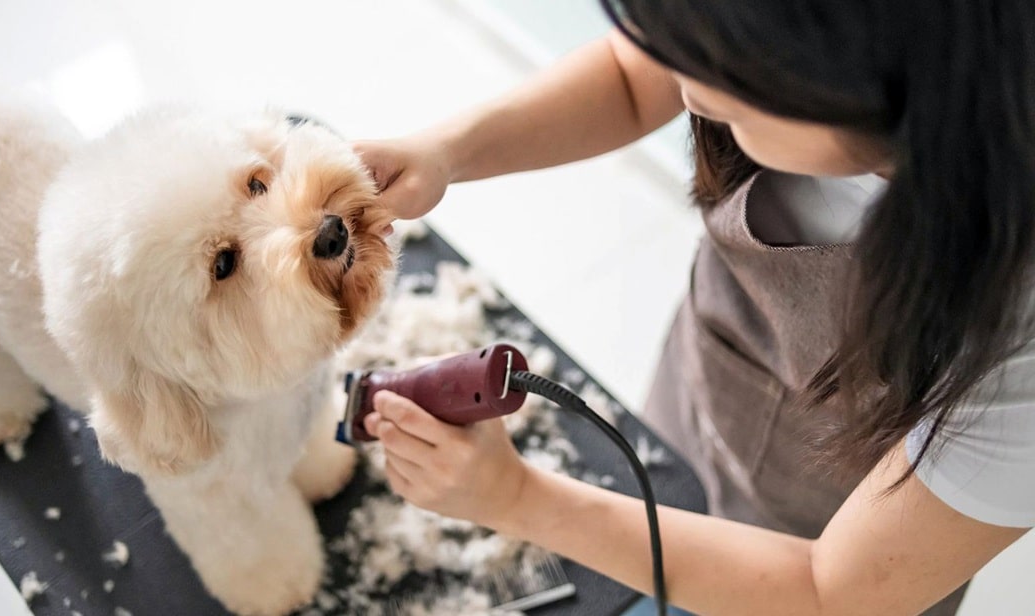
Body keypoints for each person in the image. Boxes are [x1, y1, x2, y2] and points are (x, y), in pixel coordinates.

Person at [351, 1, 1035, 614]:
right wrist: (445, 152)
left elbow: (832, 592)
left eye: (720, 84)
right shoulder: (781, 50)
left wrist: (517, 500)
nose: (684, 92)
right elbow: (632, 72)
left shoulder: (1020, 332)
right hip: (706, 395)